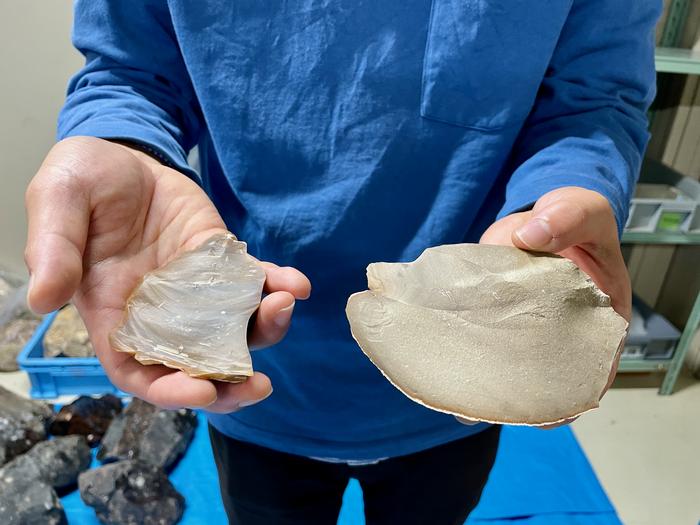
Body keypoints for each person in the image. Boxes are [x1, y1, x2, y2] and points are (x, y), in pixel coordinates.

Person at [25, 1, 658, 523]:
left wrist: (570, 188)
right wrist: (116, 138)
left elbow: (592, 97)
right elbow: (132, 73)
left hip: (468, 370)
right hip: (257, 375)